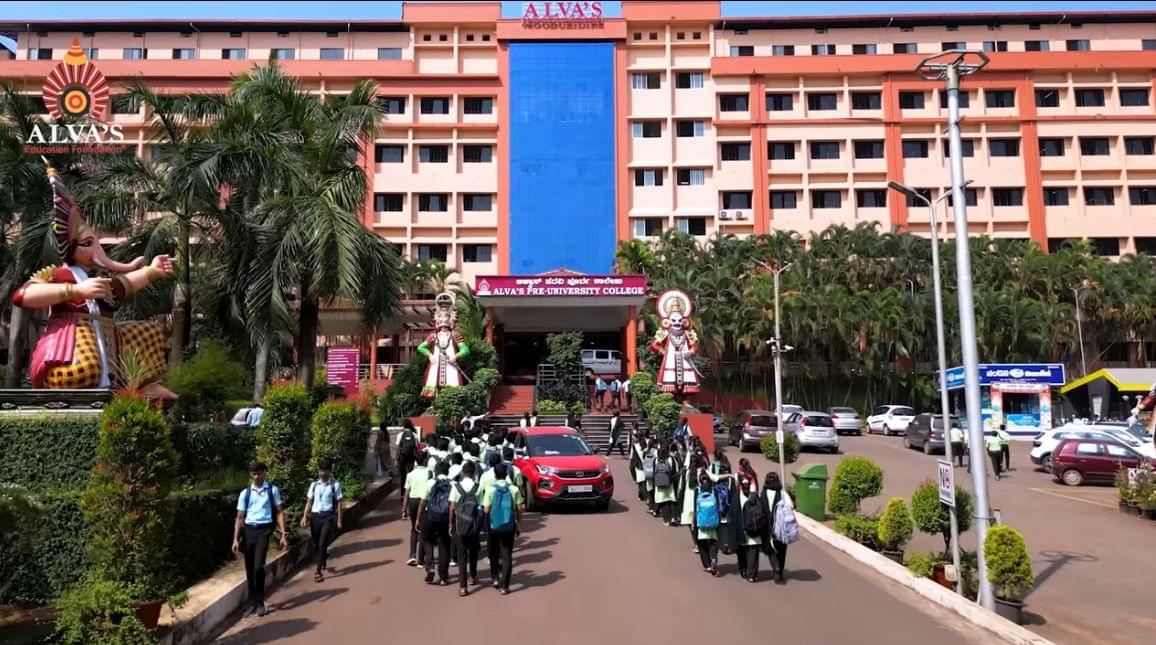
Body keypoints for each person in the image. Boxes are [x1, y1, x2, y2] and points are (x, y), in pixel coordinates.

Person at [231, 463, 287, 618]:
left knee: (258, 567)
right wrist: (235, 539)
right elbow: (240, 517)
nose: (256, 476)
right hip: (249, 530)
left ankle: (260, 601)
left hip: (264, 530)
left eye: (259, 473)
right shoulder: (245, 493)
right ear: (251, 474)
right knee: (249, 569)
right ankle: (252, 603)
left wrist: (283, 534)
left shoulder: (272, 490)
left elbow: (279, 512)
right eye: (254, 473)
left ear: (264, 473)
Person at [484, 463, 523, 595]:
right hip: (509, 525)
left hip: (494, 526)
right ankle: (504, 586)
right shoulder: (514, 489)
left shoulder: (490, 490)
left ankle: (495, 577)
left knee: (494, 552)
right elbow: (519, 508)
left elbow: (486, 509)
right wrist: (518, 523)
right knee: (507, 554)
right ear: (506, 474)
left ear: (495, 475)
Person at [301, 462, 344, 583]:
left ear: (330, 472)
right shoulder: (314, 485)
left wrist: (339, 519)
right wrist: (304, 516)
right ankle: (323, 557)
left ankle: (318, 572)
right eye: (321, 471)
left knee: (322, 542)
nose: (323, 473)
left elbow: (340, 503)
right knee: (316, 543)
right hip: (315, 517)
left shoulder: (335, 485)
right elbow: (309, 501)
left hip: (328, 517)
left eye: (325, 471)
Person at [416, 461, 453, 585]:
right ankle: (443, 577)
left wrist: (418, 519)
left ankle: (430, 566)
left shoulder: (430, 483)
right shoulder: (452, 484)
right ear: (448, 471)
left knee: (426, 539)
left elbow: (422, 502)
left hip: (431, 516)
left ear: (436, 471)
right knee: (444, 544)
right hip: (446, 518)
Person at [449, 461, 483, 596]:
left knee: (462, 555)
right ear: (474, 473)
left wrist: (450, 524)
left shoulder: (456, 487)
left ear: (463, 472)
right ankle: (473, 576)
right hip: (474, 525)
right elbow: (481, 507)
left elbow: (452, 507)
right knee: (473, 552)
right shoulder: (478, 487)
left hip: (460, 525)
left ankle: (463, 587)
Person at [763, 471, 794, 583]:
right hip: (781, 526)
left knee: (771, 548)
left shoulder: (764, 493)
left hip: (768, 526)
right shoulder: (782, 493)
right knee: (782, 549)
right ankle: (780, 571)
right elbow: (791, 506)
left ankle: (775, 566)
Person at [402, 449, 431, 567]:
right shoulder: (429, 473)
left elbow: (406, 493)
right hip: (425, 501)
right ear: (425, 460)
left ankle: (412, 555)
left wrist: (404, 509)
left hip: (413, 501)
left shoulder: (410, 474)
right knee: (424, 529)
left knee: (414, 528)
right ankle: (421, 558)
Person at [692, 472, 720, 575]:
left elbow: (695, 508)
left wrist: (693, 522)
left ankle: (707, 565)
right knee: (713, 541)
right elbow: (718, 506)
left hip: (701, 522)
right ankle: (714, 557)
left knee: (701, 544)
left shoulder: (697, 491)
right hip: (713, 521)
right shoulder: (714, 491)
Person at [652, 444, 679, 525]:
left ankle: (667, 520)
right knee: (672, 500)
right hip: (670, 483)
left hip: (659, 484)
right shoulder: (671, 459)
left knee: (663, 501)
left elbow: (654, 471)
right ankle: (674, 518)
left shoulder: (656, 460)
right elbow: (676, 470)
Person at [630, 425, 648, 501]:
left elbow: (635, 455)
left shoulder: (637, 445)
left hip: (639, 465)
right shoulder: (644, 443)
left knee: (641, 481)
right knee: (642, 480)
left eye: (634, 436)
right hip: (643, 464)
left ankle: (646, 497)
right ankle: (641, 496)